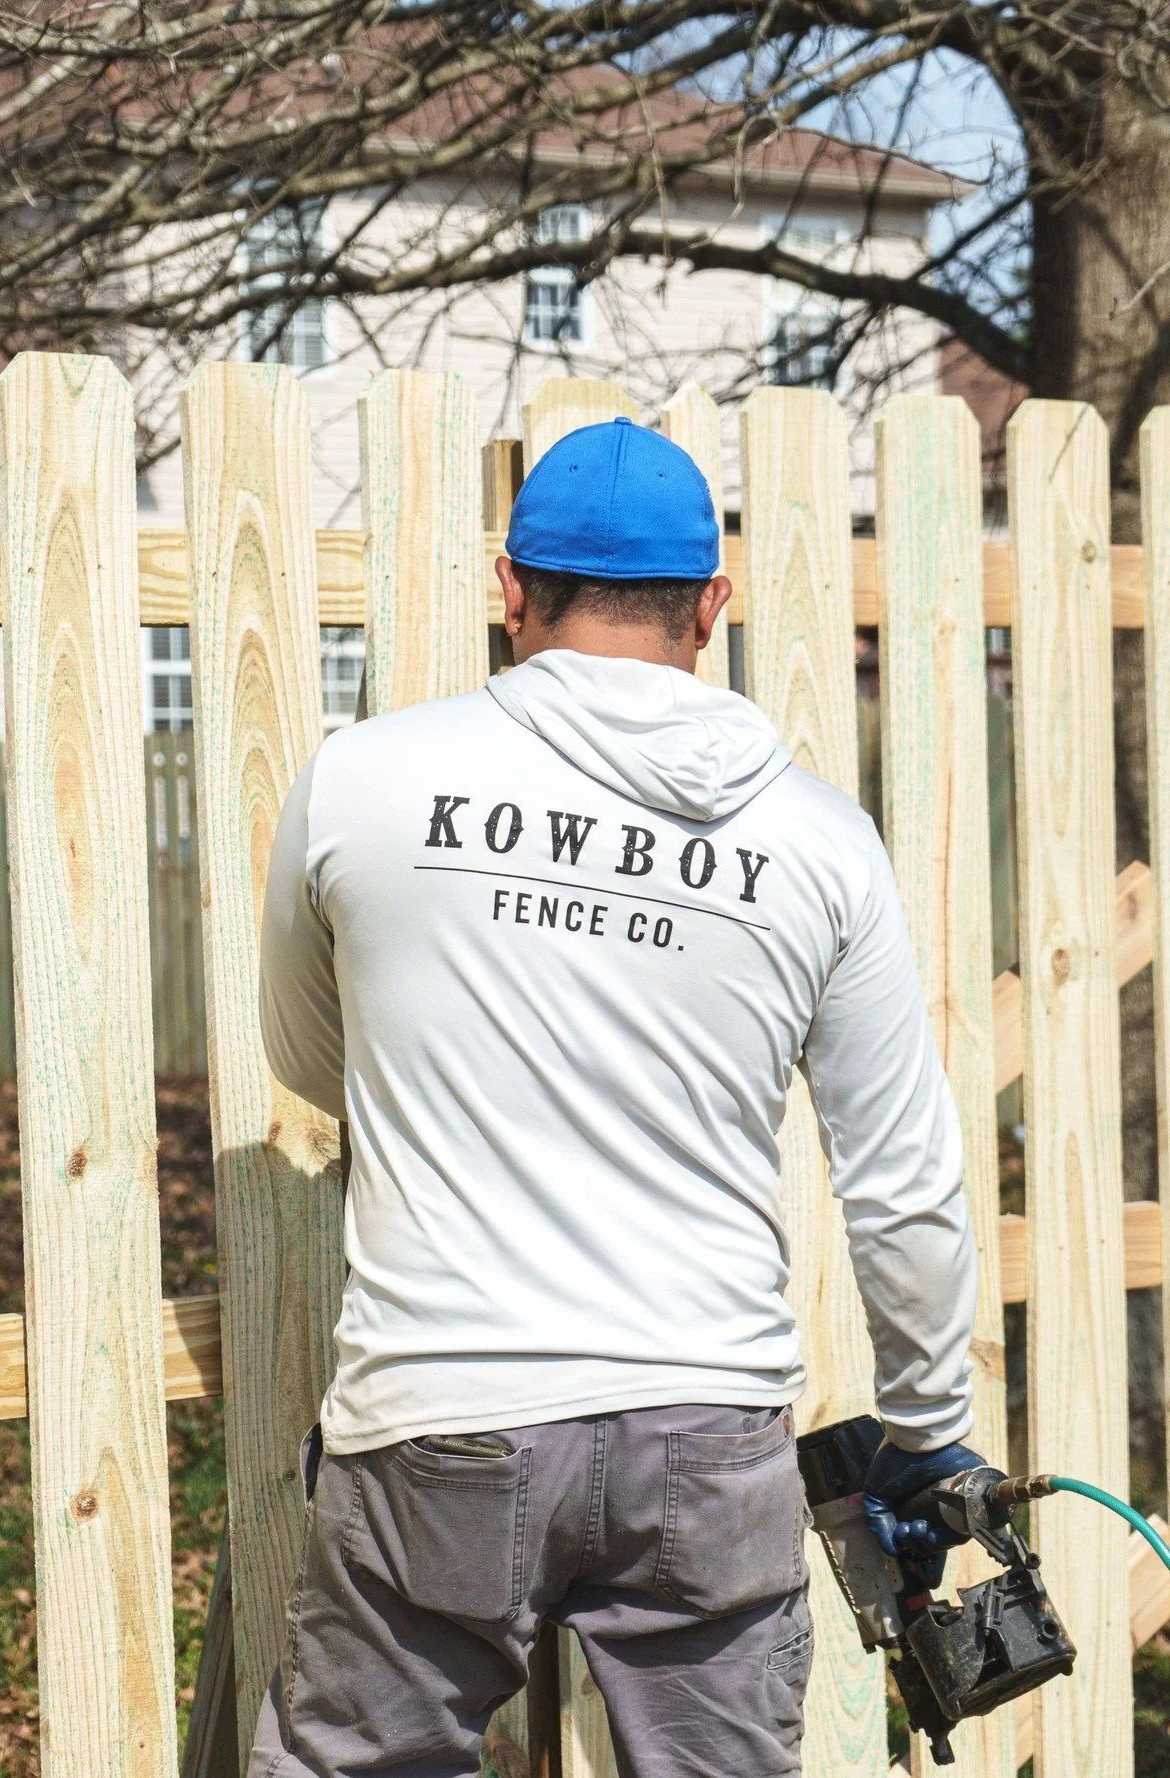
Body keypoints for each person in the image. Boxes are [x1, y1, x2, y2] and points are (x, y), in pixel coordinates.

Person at [253, 416, 983, 1778]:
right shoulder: (821, 841)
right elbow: (905, 1182)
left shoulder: (363, 783)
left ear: (511, 589)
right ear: (714, 603)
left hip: (439, 1409)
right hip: (705, 1423)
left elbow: (312, 1059)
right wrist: (929, 1424)